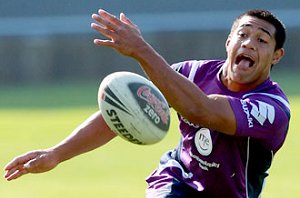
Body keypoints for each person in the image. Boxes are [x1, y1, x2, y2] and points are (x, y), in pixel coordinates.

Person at [4, 8, 290, 198]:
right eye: (242, 34)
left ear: (277, 56)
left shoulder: (271, 108)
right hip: (177, 182)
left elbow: (202, 110)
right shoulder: (190, 73)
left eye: (262, 40)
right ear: (229, 42)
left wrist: (141, 50)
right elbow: (122, 111)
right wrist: (56, 154)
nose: (249, 44)